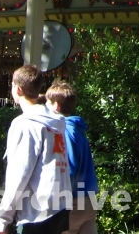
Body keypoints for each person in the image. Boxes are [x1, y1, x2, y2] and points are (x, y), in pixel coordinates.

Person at [0, 65, 72, 234]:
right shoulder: (55, 123)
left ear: (18, 89)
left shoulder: (25, 124)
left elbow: (19, 173)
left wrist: (3, 218)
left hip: (37, 213)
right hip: (60, 208)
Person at [44, 80, 99, 234]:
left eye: (47, 102)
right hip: (89, 199)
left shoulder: (64, 130)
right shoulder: (78, 129)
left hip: (73, 201)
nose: (46, 106)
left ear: (55, 105)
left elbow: (68, 167)